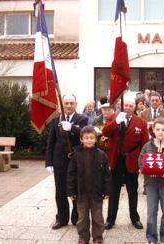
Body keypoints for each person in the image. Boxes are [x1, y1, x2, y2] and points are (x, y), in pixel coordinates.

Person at [102, 95, 149, 230]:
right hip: (116, 160)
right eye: (126, 105)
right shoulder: (113, 118)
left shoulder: (141, 122)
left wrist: (143, 164)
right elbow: (105, 133)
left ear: (134, 107)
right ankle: (110, 219)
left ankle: (135, 218)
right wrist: (116, 121)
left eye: (130, 105)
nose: (127, 108)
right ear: (121, 106)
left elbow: (145, 144)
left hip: (132, 160)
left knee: (132, 191)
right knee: (114, 191)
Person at [45, 94, 88, 229]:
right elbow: (50, 143)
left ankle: (76, 217)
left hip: (76, 161)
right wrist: (49, 162)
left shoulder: (82, 118)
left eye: (71, 103)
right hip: (59, 162)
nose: (69, 106)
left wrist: (72, 128)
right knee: (60, 191)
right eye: (66, 103)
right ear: (62, 104)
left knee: (76, 189)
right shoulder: (56, 120)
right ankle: (62, 219)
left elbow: (85, 135)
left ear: (76, 104)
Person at [138, 118, 164, 244]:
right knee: (151, 212)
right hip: (151, 184)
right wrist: (144, 170)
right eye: (158, 129)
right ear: (153, 131)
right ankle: (151, 238)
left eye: (163, 130)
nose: (160, 132)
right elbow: (141, 162)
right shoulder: (147, 146)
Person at [67, 126, 112, 244]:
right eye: (86, 138)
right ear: (81, 139)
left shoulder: (102, 154)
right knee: (82, 218)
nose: (89, 140)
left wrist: (107, 191)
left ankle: (98, 237)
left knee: (97, 217)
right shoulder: (76, 154)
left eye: (92, 138)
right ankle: (83, 237)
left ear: (96, 139)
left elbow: (107, 175)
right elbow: (71, 174)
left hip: (96, 193)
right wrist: (71, 191)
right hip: (81, 193)